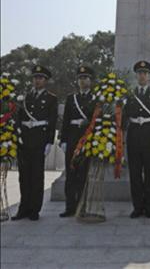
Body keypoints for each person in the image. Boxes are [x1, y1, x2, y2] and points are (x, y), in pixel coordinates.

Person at [12, 65, 58, 221]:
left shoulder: (52, 98)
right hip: (24, 139)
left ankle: (34, 210)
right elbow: (18, 117)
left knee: (37, 176)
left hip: (39, 140)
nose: (37, 81)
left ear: (46, 81)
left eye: (40, 78)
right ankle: (23, 208)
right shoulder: (25, 97)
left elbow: (52, 121)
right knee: (23, 176)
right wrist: (17, 133)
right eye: (35, 78)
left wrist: (49, 143)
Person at [122, 60, 150, 218]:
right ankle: (137, 206)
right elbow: (124, 120)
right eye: (139, 73)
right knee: (135, 173)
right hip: (133, 136)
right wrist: (120, 106)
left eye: (145, 73)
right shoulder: (129, 95)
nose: (142, 76)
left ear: (148, 76)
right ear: (136, 75)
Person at [59, 65, 96, 217]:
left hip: (87, 138)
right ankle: (70, 207)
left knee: (84, 174)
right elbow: (65, 120)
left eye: (85, 78)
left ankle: (82, 206)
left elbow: (97, 120)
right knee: (71, 173)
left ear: (90, 80)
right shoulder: (71, 98)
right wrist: (63, 140)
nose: (82, 81)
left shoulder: (96, 98)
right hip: (73, 137)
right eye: (80, 78)